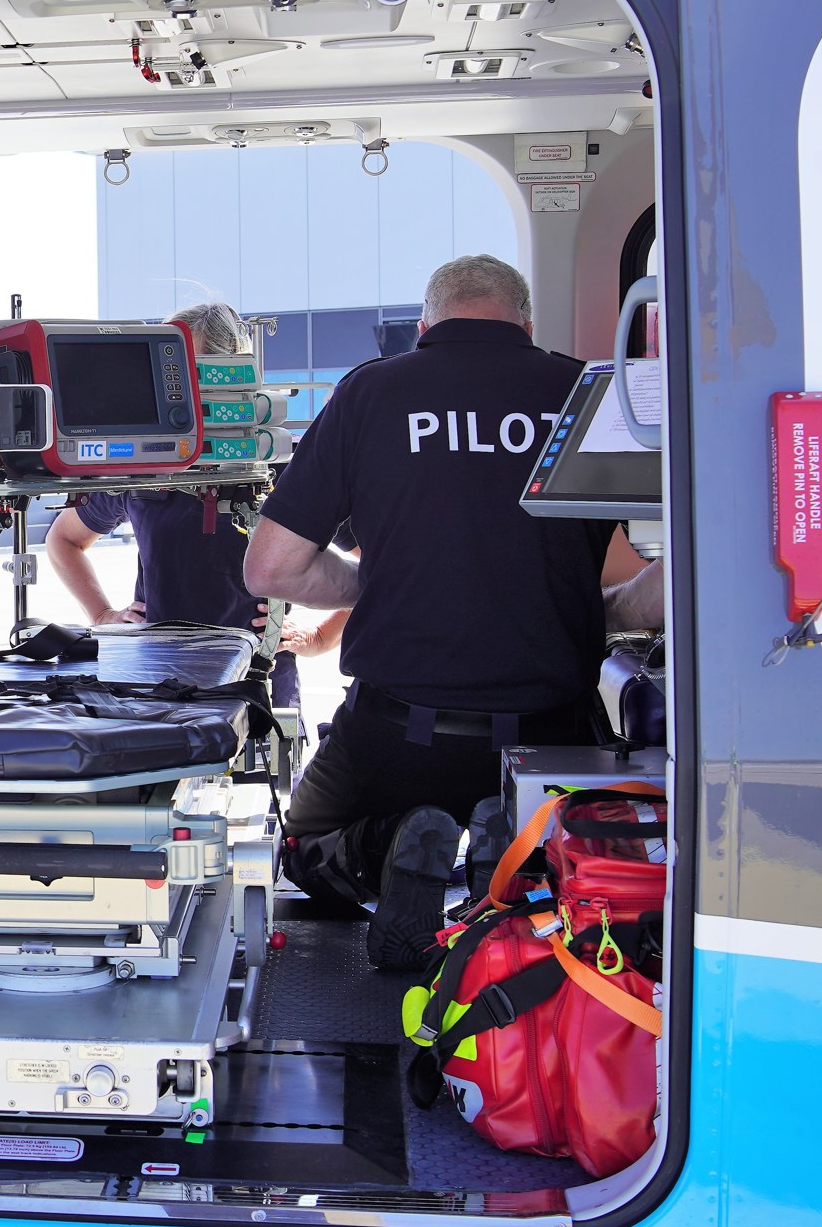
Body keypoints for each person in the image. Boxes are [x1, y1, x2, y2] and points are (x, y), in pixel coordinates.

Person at [243, 255, 663, 971]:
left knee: (300, 853)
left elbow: (270, 568)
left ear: (427, 324)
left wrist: (370, 585)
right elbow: (692, 558)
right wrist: (612, 610)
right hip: (551, 735)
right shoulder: (588, 393)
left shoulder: (371, 391)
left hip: (396, 733)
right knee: (571, 876)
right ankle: (508, 866)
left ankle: (394, 845)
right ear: (526, 324)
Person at [41, 302, 345, 711]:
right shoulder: (143, 465)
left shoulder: (278, 462)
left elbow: (377, 561)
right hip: (156, 678)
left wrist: (320, 638)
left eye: (179, 368)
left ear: (231, 372)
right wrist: (102, 615)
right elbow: (64, 540)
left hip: (260, 682)